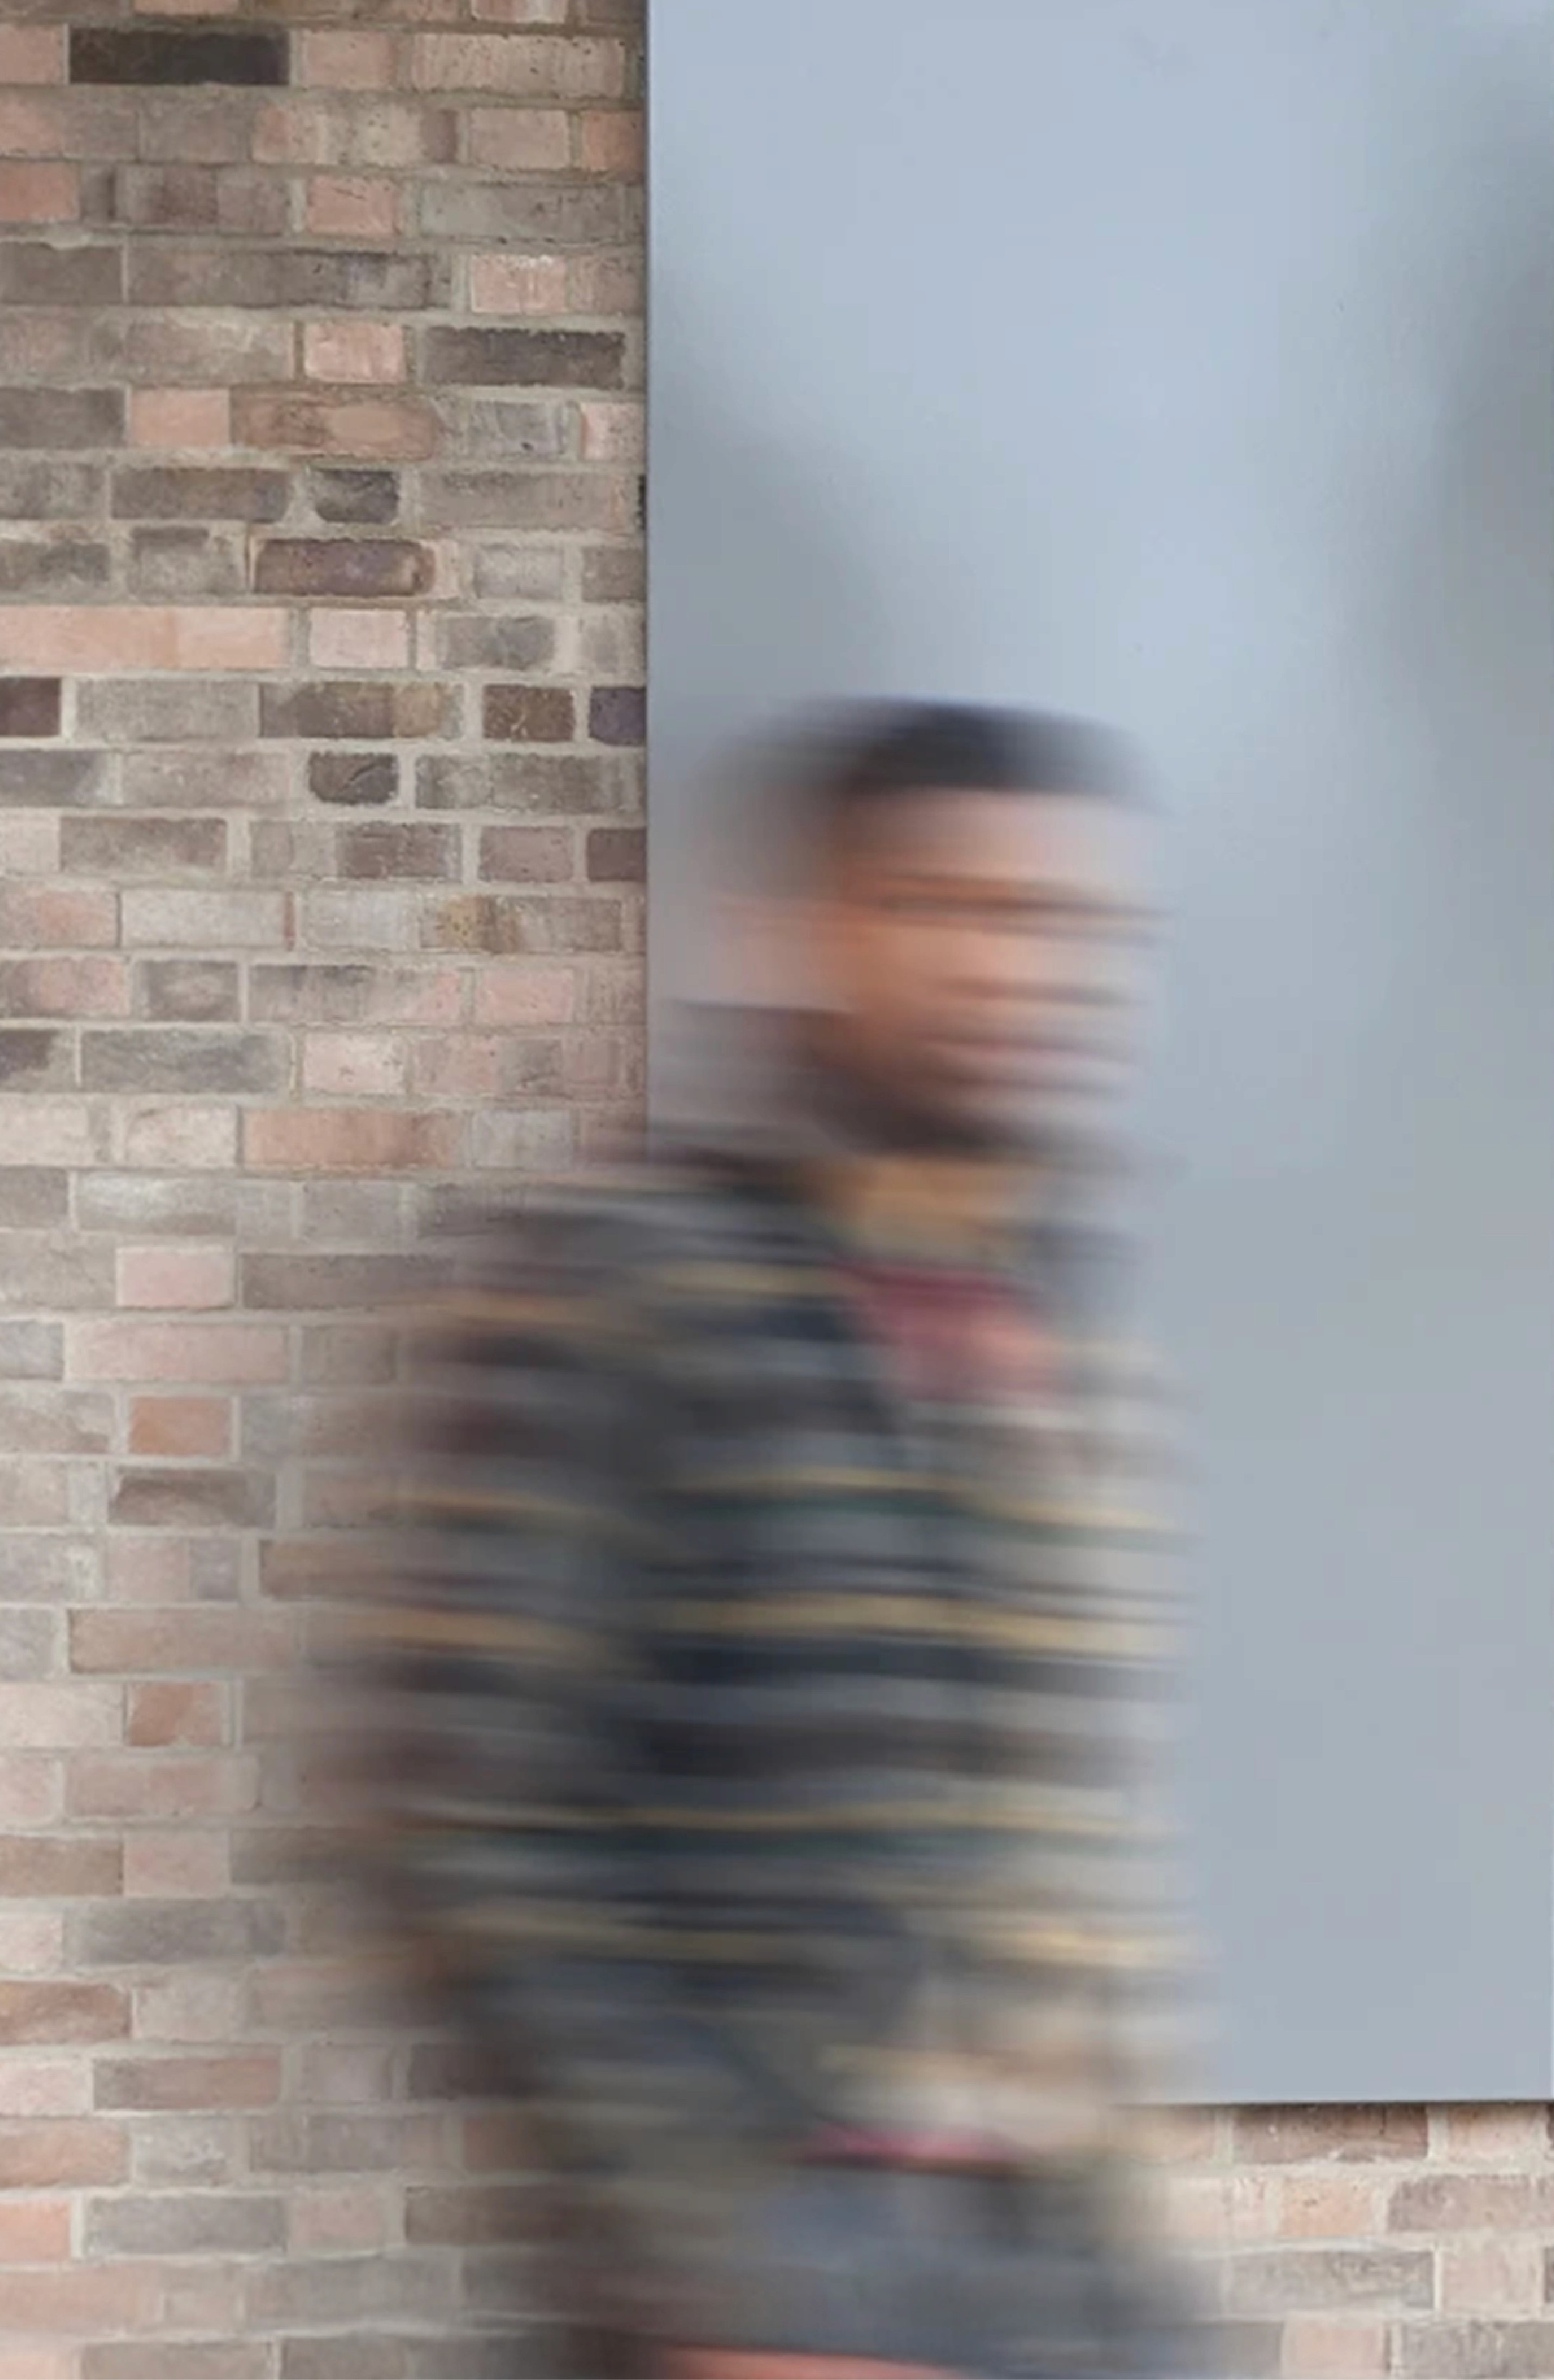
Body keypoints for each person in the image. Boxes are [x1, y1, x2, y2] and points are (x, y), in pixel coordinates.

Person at [377, 702, 1201, 2380]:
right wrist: (712, 2262)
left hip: (1056, 2269)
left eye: (1061, 924)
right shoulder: (633, 1282)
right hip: (788, 2271)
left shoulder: (1054, 1301)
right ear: (797, 933)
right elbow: (465, 1818)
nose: (1013, 972)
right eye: (942, 909)